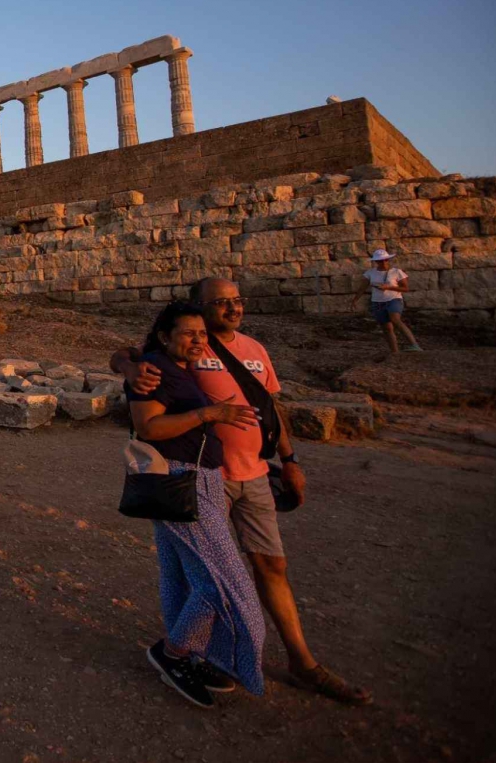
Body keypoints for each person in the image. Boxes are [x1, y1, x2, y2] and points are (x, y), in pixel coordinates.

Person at [113, 278, 372, 705]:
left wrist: (290, 461)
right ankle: (180, 653)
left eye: (237, 301)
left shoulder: (251, 349)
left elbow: (271, 406)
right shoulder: (179, 351)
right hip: (191, 479)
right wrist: (128, 368)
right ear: (200, 307)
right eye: (221, 303)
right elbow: (128, 359)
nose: (233, 309)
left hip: (250, 475)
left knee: (267, 567)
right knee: (208, 577)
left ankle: (300, 662)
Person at [125, 301, 265, 708]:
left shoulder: (172, 366)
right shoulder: (152, 370)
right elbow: (148, 425)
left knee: (179, 573)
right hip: (182, 480)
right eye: (189, 333)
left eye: (202, 333)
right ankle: (174, 652)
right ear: (165, 336)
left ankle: (188, 653)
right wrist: (211, 413)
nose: (198, 340)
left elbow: (124, 356)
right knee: (222, 582)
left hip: (189, 478)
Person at [365, 249, 421, 355]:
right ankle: (395, 352)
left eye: (385, 260)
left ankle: (414, 345)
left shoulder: (396, 272)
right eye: (380, 261)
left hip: (394, 299)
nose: (384, 262)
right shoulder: (370, 273)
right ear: (376, 262)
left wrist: (388, 287)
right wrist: (355, 300)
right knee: (387, 327)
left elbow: (405, 288)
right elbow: (363, 286)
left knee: (395, 319)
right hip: (378, 302)